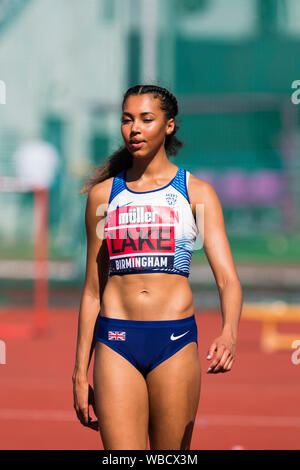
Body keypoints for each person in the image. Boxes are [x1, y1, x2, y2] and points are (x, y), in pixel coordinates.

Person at [72, 84, 243, 450]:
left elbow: (228, 279)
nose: (134, 128)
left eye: (146, 119)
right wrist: (77, 372)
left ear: (169, 126)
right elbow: (91, 291)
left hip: (175, 343)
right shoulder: (104, 197)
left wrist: (229, 333)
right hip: (116, 342)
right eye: (127, 120)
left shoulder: (196, 193)